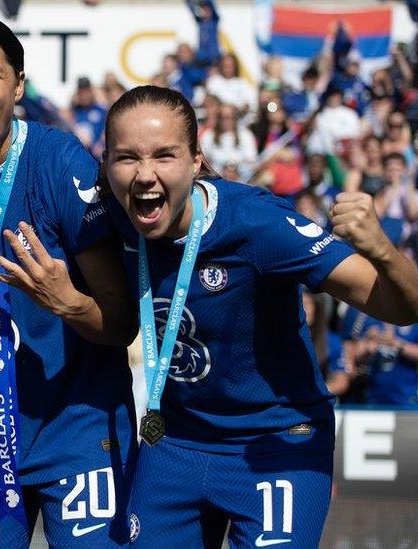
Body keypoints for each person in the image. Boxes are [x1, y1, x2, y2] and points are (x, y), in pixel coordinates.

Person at [99, 85, 418, 547]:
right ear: (106, 164)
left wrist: (383, 251)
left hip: (276, 441)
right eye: (126, 157)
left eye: (164, 156)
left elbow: (402, 308)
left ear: (196, 161)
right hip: (175, 441)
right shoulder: (109, 215)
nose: (144, 174)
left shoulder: (257, 224)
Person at [0, 15, 137, 548]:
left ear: (18, 83)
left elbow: (120, 322)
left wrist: (67, 303)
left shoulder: (62, 164)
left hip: (77, 436)